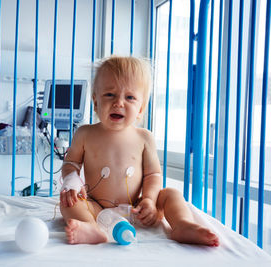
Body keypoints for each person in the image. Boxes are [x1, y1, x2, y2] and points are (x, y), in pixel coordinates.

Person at [59, 56, 219, 246]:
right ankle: (90, 227)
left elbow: (153, 174)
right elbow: (71, 164)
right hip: (97, 207)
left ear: (141, 108)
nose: (119, 102)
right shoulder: (85, 133)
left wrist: (150, 201)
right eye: (109, 94)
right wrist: (71, 183)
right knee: (69, 203)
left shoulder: (144, 138)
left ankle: (182, 224)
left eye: (130, 97)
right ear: (95, 101)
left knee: (171, 194)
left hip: (137, 209)